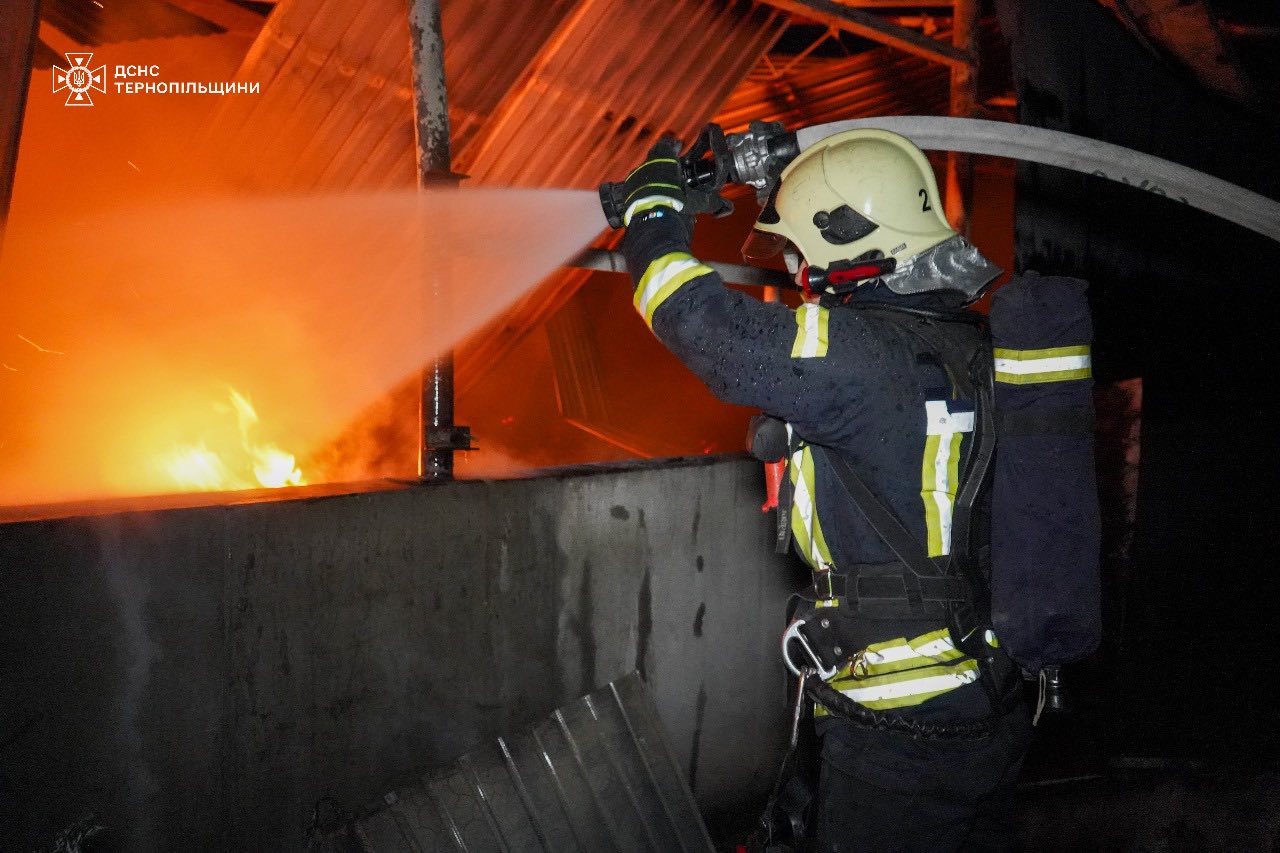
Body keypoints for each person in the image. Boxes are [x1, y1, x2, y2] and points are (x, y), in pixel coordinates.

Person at [612, 129, 1039, 852]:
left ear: (845, 241)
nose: (798, 270)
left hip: (900, 730)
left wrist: (652, 213)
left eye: (803, 252)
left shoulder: (857, 356)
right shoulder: (970, 346)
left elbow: (698, 322)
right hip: (990, 694)